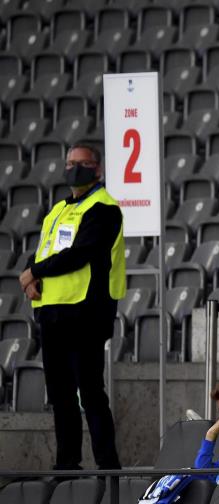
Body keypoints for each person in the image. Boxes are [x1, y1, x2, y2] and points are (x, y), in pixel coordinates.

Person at [19, 143, 124, 470]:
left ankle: (109, 467)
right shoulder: (59, 209)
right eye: (69, 162)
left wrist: (34, 272)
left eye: (82, 163)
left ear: (98, 169)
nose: (74, 168)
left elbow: (81, 253)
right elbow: (44, 249)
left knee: (91, 393)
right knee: (61, 395)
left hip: (85, 313)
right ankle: (67, 465)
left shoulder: (104, 208)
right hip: (52, 313)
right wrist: (31, 273)